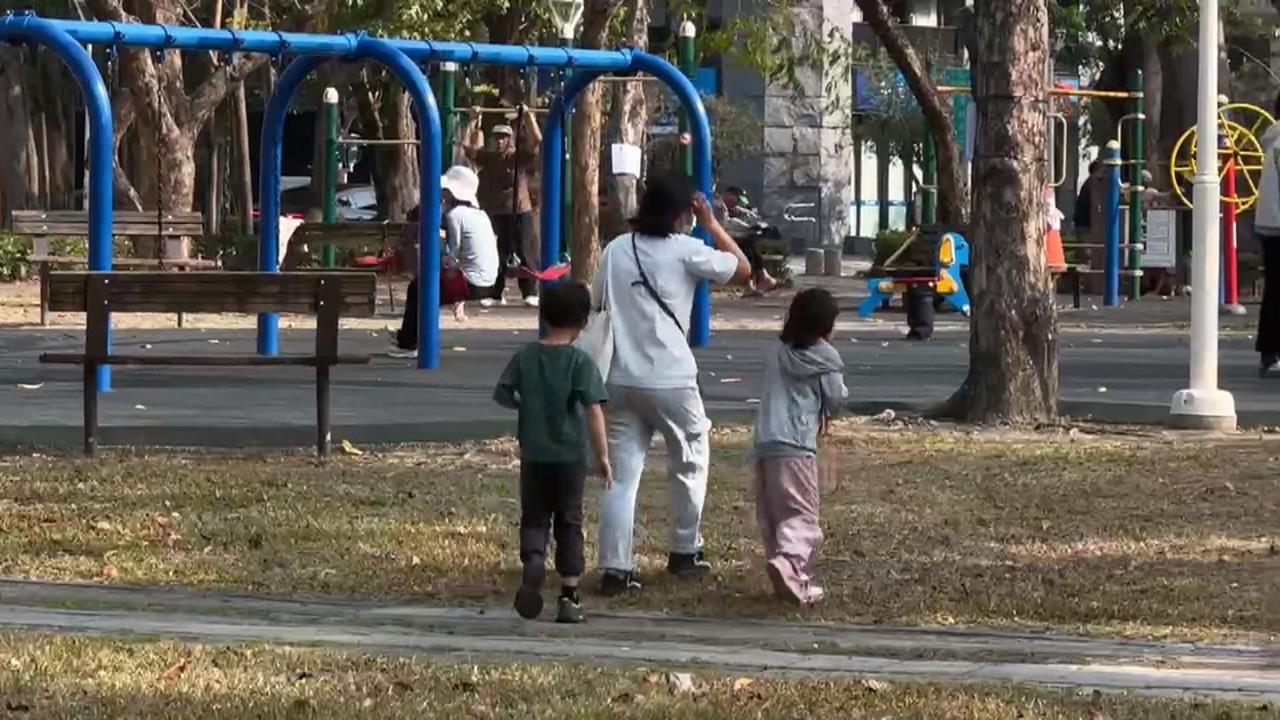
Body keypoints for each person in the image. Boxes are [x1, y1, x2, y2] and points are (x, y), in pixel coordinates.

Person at [592, 175, 752, 596]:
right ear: (684, 212)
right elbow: (742, 270)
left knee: (620, 477)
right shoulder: (686, 249)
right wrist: (712, 224)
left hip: (619, 375)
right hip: (672, 378)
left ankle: (615, 567)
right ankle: (684, 549)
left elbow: (597, 301)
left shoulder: (616, 249)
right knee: (690, 461)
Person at [493, 282, 611, 624]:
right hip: (570, 457)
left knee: (535, 516)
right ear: (583, 321)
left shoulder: (525, 357)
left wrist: (525, 403)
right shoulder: (580, 362)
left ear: (543, 316)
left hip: (534, 454)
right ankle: (569, 596)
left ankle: (533, 562)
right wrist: (603, 456)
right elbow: (594, 412)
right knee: (569, 520)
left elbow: (503, 393)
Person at [752, 288, 847, 605]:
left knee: (775, 511)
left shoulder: (776, 352)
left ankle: (786, 574)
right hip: (796, 445)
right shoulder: (826, 357)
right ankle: (790, 565)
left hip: (766, 442)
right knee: (802, 512)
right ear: (825, 328)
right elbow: (835, 398)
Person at [388, 166, 498, 357]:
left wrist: (437, 245)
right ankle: (408, 335)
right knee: (425, 289)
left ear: (453, 193)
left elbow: (452, 254)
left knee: (419, 288)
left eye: (445, 191)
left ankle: (409, 343)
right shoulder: (481, 215)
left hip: (470, 281)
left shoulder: (455, 215)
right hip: (488, 281)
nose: (442, 195)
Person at [463, 106, 543, 308]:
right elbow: (467, 148)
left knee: (526, 252)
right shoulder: (489, 158)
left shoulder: (517, 157)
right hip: (496, 212)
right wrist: (473, 121)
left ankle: (530, 292)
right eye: (497, 138)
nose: (499, 141)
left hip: (520, 211)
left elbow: (537, 140)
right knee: (496, 253)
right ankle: (495, 293)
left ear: (510, 140)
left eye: (503, 138)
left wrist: (528, 118)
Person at [1254, 92, 1280, 376]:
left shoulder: (1272, 140)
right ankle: (1271, 352)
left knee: (1274, 289)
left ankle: (1270, 351)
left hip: (1270, 224)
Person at [714, 186, 778, 297]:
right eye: (736, 199)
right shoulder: (718, 205)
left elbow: (742, 215)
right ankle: (757, 279)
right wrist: (747, 227)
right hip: (714, 240)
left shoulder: (728, 206)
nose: (737, 203)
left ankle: (759, 278)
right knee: (745, 245)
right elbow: (726, 224)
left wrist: (750, 215)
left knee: (749, 243)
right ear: (729, 195)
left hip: (723, 236)